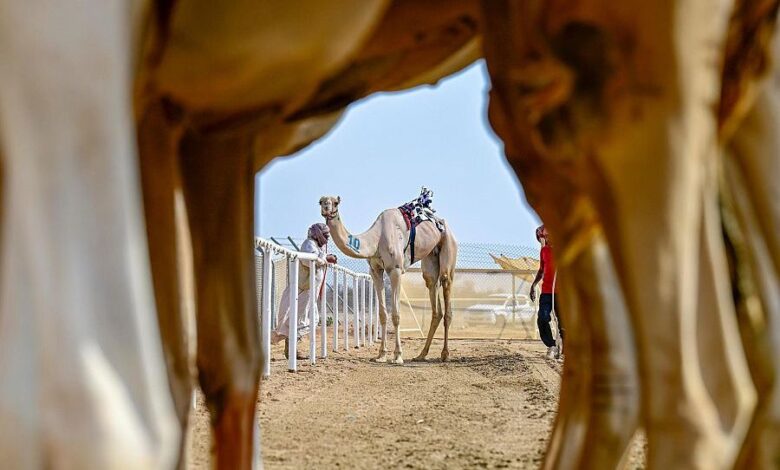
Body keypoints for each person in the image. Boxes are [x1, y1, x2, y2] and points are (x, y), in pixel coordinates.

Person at [271, 223, 337, 358]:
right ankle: (291, 352)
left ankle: (292, 351)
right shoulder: (309, 244)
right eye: (325, 235)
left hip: (309, 292)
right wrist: (325, 259)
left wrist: (326, 257)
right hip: (302, 291)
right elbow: (309, 260)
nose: (327, 238)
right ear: (318, 234)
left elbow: (319, 259)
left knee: (310, 320)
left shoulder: (318, 246)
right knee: (297, 320)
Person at [530, 225, 564, 360]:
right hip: (547, 292)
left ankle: (564, 349)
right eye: (544, 237)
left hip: (562, 293)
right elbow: (541, 270)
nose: (546, 239)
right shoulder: (544, 251)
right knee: (542, 318)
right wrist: (533, 285)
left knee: (564, 323)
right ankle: (551, 345)